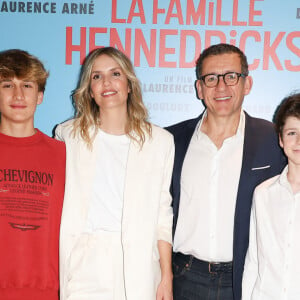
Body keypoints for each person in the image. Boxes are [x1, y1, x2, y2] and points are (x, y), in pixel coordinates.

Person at [166, 43, 286, 300]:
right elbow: (158, 214)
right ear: (199, 88)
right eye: (211, 78)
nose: (221, 87)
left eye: (231, 76)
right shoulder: (171, 140)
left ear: (247, 84)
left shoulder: (272, 139)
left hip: (245, 279)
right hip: (184, 278)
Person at [55, 46, 174, 300]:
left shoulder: (160, 142)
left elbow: (163, 216)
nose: (106, 82)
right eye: (96, 76)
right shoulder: (68, 136)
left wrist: (166, 276)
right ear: (89, 89)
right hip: (83, 264)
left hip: (138, 264)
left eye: (115, 74)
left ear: (129, 84)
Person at [0, 49, 66, 299]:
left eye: (27, 85)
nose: (18, 95)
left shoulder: (64, 155)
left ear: (39, 96)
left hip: (48, 292)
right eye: (7, 84)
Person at [242, 92, 300, 300]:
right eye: (292, 133)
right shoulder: (263, 193)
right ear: (281, 139)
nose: (298, 141)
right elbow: (254, 260)